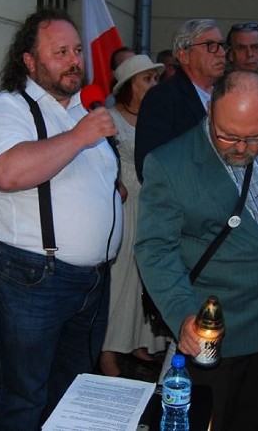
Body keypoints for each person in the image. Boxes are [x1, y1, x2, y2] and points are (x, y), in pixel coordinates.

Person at [135, 70, 258, 431]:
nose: (241, 148)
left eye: (255, 138)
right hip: (214, 332)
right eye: (228, 136)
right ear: (211, 109)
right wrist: (184, 315)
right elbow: (155, 249)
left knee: (254, 420)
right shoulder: (170, 163)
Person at [0, 8, 123, 428]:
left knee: (73, 396)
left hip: (90, 281)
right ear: (30, 61)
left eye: (77, 50)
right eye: (60, 52)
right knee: (21, 399)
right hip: (30, 278)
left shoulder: (80, 110)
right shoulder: (5, 108)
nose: (75, 60)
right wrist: (80, 137)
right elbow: (7, 172)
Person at [99, 55, 167, 377]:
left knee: (146, 278)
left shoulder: (158, 117)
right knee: (119, 279)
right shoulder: (109, 118)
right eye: (147, 80)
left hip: (154, 206)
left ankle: (141, 341)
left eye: (156, 80)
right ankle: (107, 350)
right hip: (124, 207)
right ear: (128, 86)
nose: (154, 86)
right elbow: (96, 163)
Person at [135, 19, 227, 181]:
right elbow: (149, 164)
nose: (221, 53)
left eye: (221, 45)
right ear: (183, 55)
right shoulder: (162, 98)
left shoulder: (228, 94)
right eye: (210, 45)